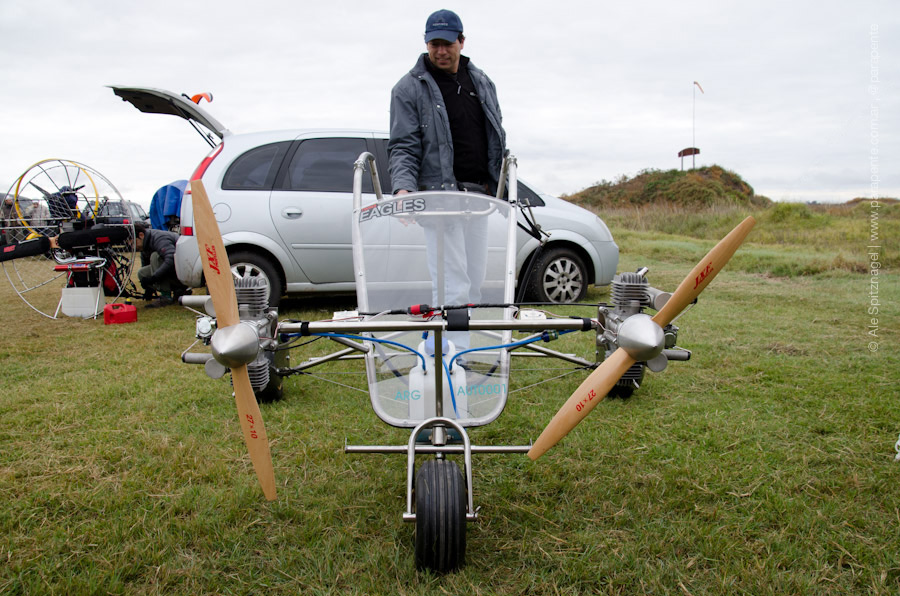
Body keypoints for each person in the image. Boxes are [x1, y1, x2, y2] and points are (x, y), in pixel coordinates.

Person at [388, 9, 507, 309]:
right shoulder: (407, 89)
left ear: (462, 41)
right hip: (440, 200)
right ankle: (450, 353)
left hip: (479, 199)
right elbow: (403, 146)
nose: (441, 51)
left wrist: (501, 187)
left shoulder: (482, 82)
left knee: (474, 283)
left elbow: (496, 138)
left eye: (447, 43)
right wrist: (403, 189)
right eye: (434, 44)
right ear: (426, 44)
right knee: (452, 286)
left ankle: (464, 352)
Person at [132, 221, 188, 308]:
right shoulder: (145, 245)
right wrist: (148, 287)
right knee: (142, 273)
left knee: (156, 257)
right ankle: (178, 290)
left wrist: (154, 278)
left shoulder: (159, 238)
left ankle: (166, 296)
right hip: (174, 272)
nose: (132, 246)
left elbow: (171, 259)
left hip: (184, 271)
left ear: (141, 235)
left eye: (133, 242)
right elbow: (145, 265)